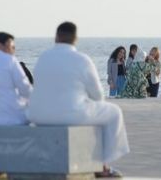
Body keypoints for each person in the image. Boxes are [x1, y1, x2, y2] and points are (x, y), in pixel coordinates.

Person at [27, 22, 129, 178]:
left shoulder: (43, 58)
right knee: (114, 112)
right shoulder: (82, 60)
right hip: (70, 115)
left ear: (56, 37)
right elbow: (98, 96)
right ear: (75, 39)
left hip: (39, 115)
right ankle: (103, 165)